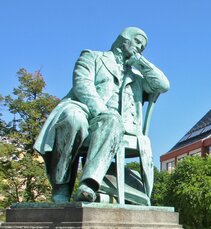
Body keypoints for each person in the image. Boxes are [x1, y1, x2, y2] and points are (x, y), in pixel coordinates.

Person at [34, 27, 169, 204]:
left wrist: (141, 62)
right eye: (137, 42)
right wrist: (99, 110)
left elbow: (163, 85)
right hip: (84, 109)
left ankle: (89, 185)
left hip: (113, 123)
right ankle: (61, 185)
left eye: (143, 47)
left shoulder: (137, 76)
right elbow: (82, 85)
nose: (139, 48)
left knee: (113, 120)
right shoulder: (92, 57)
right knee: (72, 118)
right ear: (123, 39)